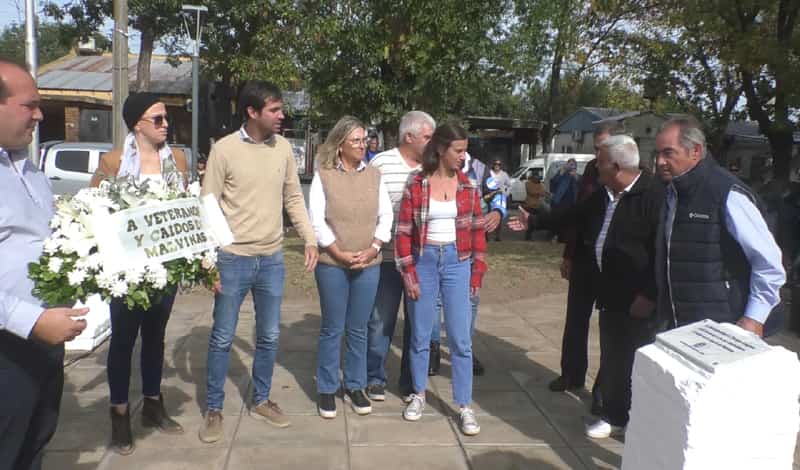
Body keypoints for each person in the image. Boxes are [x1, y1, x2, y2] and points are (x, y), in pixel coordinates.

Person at [509, 134, 663, 439]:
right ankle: (614, 414)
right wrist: (536, 221)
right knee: (613, 354)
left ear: (617, 167)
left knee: (634, 360)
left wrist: (649, 293)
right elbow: (573, 216)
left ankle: (636, 420)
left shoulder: (654, 196)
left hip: (637, 296)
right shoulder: (606, 192)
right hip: (608, 287)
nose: (596, 167)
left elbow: (663, 252)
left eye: (601, 162)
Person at [199, 81, 319, 442]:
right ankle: (214, 409)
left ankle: (262, 399)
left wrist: (310, 238)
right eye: (275, 110)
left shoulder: (283, 148)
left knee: (268, 335)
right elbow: (207, 205)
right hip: (232, 259)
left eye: (281, 109)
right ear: (252, 112)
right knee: (222, 337)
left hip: (272, 259)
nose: (282, 116)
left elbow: (293, 197)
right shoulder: (223, 150)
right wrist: (208, 262)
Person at [0, 59, 89, 470]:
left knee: (35, 443)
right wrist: (30, 321)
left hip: (44, 342)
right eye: (29, 105)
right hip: (8, 347)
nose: (39, 115)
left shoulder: (27, 167)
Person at [90, 93, 189, 455]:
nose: (166, 125)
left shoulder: (176, 160)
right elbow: (93, 207)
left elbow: (184, 209)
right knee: (122, 341)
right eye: (158, 119)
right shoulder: (114, 161)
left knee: (155, 337)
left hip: (165, 268)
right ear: (137, 124)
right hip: (127, 270)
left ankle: (152, 403)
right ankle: (119, 414)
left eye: (166, 119)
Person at [654, 118, 785, 337]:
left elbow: (769, 262)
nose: (659, 162)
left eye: (668, 153)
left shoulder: (727, 194)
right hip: (682, 325)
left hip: (725, 328)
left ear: (695, 151)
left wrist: (754, 317)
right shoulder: (672, 193)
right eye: (657, 154)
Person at [395, 122, 487, 436]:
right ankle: (418, 394)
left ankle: (464, 404)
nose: (464, 156)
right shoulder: (417, 181)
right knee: (421, 335)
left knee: (461, 340)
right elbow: (404, 231)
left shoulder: (469, 185)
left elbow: (477, 232)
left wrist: (477, 272)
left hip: (457, 263)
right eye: (458, 150)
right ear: (441, 149)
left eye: (465, 150)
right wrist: (408, 272)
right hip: (424, 261)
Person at [308, 116, 392, 419]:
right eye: (355, 140)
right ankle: (328, 388)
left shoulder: (374, 175)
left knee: (359, 328)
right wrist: (338, 252)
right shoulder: (324, 175)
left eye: (364, 139)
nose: (362, 145)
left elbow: (386, 216)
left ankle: (355, 385)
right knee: (333, 327)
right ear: (340, 144)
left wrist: (373, 248)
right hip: (333, 264)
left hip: (368, 264)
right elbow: (316, 220)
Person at [365, 111, 435, 403]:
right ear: (409, 137)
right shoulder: (381, 163)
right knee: (381, 321)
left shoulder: (434, 167)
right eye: (428, 137)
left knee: (418, 325)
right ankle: (374, 377)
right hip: (387, 261)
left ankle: (410, 382)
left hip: (421, 262)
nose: (433, 143)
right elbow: (368, 208)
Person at [547, 126, 613, 418]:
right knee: (575, 319)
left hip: (613, 263)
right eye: (596, 148)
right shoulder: (589, 172)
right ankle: (571, 373)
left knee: (612, 330)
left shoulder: (633, 175)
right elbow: (576, 215)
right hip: (585, 257)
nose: (599, 154)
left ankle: (603, 391)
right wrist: (568, 255)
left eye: (605, 148)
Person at [428, 151, 504, 377]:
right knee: (436, 300)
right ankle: (432, 349)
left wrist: (499, 211)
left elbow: (497, 192)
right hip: (440, 244)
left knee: (471, 297)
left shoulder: (479, 169)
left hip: (471, 245)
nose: (459, 153)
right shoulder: (433, 165)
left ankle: (464, 349)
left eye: (463, 148)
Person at [484, 159, 511, 241]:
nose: (497, 166)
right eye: (495, 164)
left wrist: (506, 194)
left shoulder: (504, 174)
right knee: (487, 215)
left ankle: (497, 236)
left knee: (498, 216)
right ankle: (486, 236)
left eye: (498, 164)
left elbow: (509, 185)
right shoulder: (489, 173)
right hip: (490, 197)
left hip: (500, 197)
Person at [523, 173, 547, 241]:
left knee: (535, 222)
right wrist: (540, 192)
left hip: (537, 206)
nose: (537, 178)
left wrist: (541, 192)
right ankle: (528, 236)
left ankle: (529, 235)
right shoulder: (528, 183)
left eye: (538, 177)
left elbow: (543, 193)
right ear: (532, 177)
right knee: (530, 221)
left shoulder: (540, 184)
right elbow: (531, 192)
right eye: (536, 177)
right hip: (529, 205)